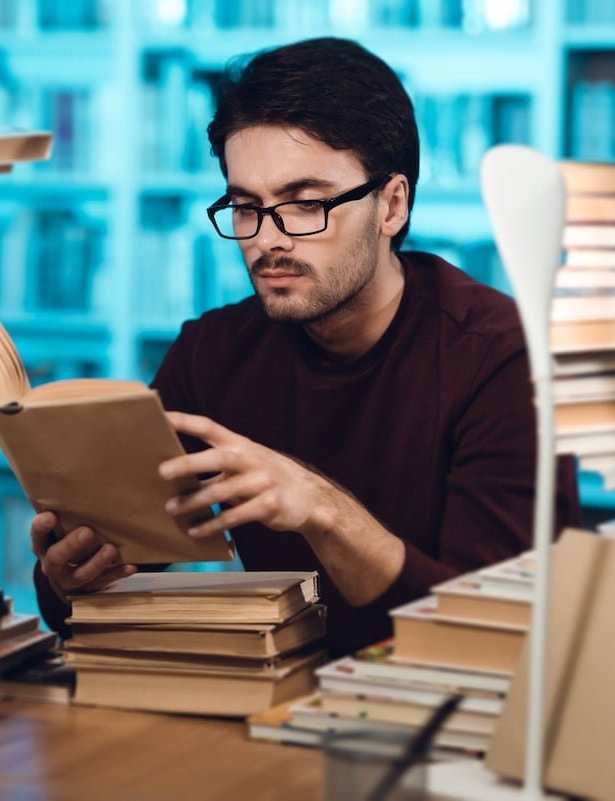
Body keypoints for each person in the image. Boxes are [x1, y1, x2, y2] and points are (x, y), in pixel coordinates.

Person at [30, 36, 580, 655]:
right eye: (246, 207)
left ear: (391, 205)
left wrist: (321, 509)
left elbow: (494, 634)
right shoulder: (211, 354)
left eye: (306, 203)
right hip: (277, 703)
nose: (269, 240)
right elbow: (86, 602)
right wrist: (70, 576)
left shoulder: (503, 360)